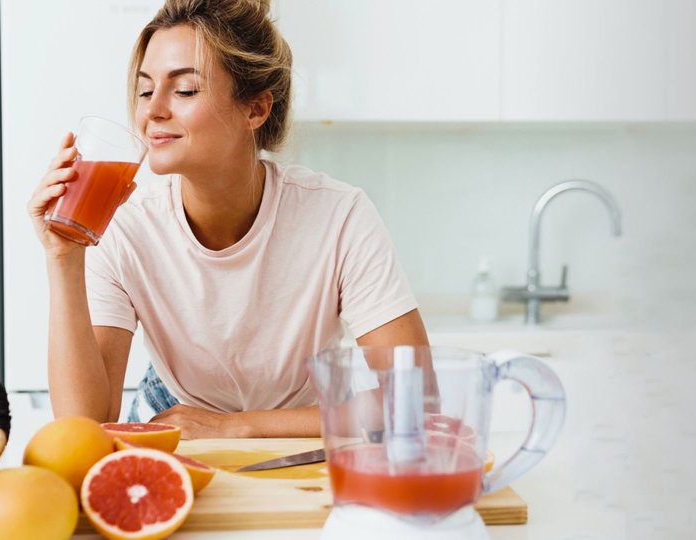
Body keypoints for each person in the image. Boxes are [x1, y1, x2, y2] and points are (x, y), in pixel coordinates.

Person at [27, 0, 428, 438]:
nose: (152, 111)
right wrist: (63, 259)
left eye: (184, 91)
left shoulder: (338, 216)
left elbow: (415, 399)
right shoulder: (123, 228)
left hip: (299, 431)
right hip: (173, 426)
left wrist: (236, 427)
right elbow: (85, 426)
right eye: (145, 90)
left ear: (255, 109)